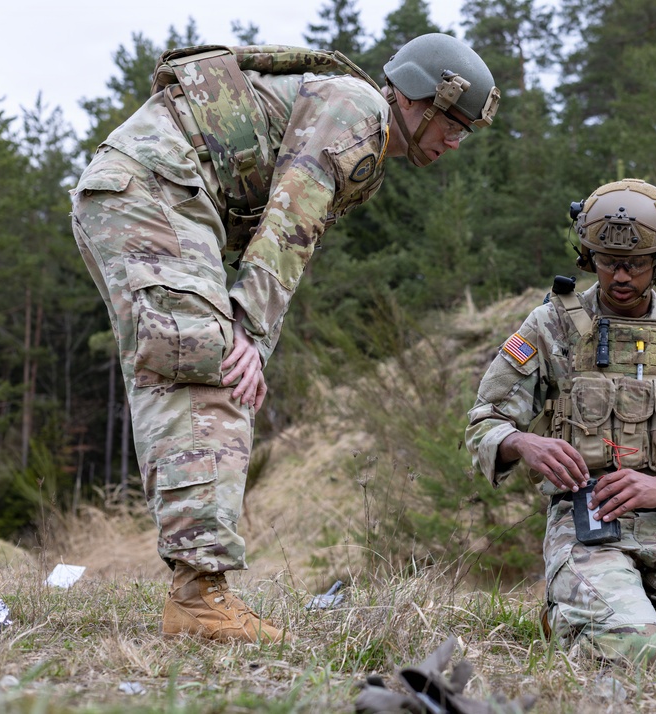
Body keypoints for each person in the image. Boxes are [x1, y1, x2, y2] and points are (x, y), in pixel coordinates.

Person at [70, 34, 499, 644]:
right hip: (155, 190)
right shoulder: (360, 110)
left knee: (182, 369)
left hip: (140, 190)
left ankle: (197, 591)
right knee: (214, 367)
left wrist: (242, 328)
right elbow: (292, 218)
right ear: (419, 99)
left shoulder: (359, 125)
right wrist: (246, 332)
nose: (455, 141)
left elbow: (281, 223)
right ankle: (199, 599)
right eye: (453, 123)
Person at [465, 179, 656, 665]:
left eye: (635, 263)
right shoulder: (551, 327)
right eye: (608, 262)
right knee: (630, 647)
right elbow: (485, 421)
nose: (621, 276)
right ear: (589, 257)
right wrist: (525, 444)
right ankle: (600, 616)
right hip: (586, 525)